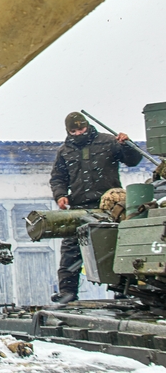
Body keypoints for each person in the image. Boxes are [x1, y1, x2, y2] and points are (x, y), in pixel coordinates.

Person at [49, 111, 142, 303]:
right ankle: (67, 292)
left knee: (116, 248)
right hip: (79, 206)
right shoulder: (64, 151)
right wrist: (60, 195)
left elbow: (133, 160)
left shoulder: (108, 142)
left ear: (87, 125)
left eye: (81, 128)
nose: (78, 133)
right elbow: (58, 178)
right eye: (73, 131)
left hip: (110, 206)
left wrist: (127, 144)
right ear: (68, 131)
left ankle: (123, 291)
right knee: (71, 250)